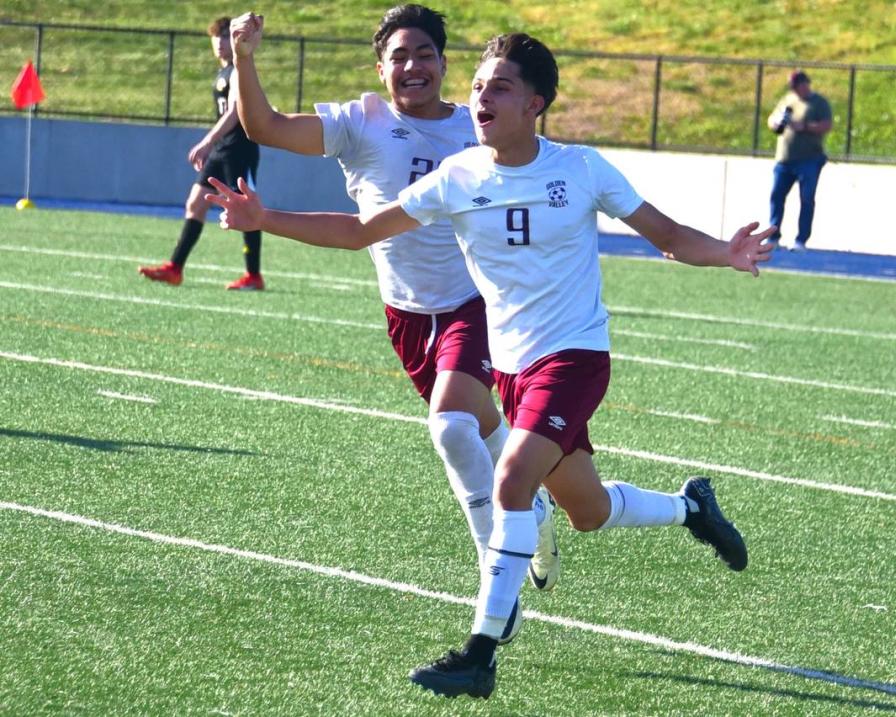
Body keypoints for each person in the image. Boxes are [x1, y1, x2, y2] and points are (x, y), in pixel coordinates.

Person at [206, 32, 773, 700]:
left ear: (535, 103)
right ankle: (690, 508)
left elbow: (670, 238)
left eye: (498, 87)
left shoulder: (581, 168)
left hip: (574, 356)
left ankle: (480, 649)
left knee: (509, 479)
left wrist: (726, 252)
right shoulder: (459, 177)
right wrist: (265, 217)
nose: (481, 97)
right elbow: (360, 231)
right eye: (478, 86)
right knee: (586, 510)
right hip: (510, 366)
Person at [226, 6, 562, 640]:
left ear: (443, 63)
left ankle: (497, 574)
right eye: (399, 57)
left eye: (425, 54)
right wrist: (243, 57)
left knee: (450, 425)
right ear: (380, 69)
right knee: (478, 427)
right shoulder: (360, 122)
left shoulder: (477, 129)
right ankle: (536, 504)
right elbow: (264, 126)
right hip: (406, 313)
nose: (413, 66)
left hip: (474, 303)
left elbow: (539, 182)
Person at [139, 16, 265, 290]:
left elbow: (234, 112)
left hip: (239, 149)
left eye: (225, 38)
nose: (220, 44)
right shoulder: (223, 72)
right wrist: (213, 144)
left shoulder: (238, 71)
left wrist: (207, 141)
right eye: (216, 38)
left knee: (246, 208)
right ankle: (175, 268)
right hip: (222, 149)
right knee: (195, 204)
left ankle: (254, 275)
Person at [766, 69, 833, 252]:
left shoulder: (818, 103)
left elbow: (826, 125)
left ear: (805, 84)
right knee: (777, 196)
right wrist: (777, 123)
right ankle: (773, 237)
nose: (794, 90)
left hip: (809, 159)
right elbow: (772, 120)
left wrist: (803, 126)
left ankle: (801, 240)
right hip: (785, 159)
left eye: (796, 86)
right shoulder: (788, 100)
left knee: (806, 198)